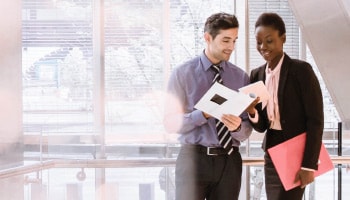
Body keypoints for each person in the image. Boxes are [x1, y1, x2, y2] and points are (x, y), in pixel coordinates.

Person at [163, 12, 253, 200]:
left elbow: (246, 131)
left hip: (229, 160)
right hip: (193, 159)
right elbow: (170, 123)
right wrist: (201, 115)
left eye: (234, 41)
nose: (231, 47)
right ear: (207, 38)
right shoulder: (182, 74)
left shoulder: (240, 77)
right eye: (225, 40)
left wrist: (237, 127)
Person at [247, 12, 324, 200]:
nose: (263, 47)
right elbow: (262, 126)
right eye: (258, 42)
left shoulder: (301, 71)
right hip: (272, 152)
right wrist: (251, 111)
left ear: (283, 39)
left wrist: (308, 165)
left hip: (297, 153)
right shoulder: (257, 75)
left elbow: (315, 120)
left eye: (269, 41)